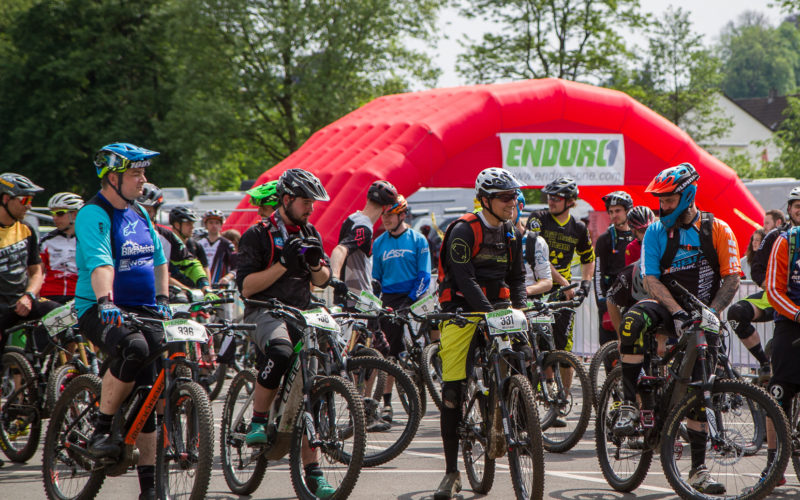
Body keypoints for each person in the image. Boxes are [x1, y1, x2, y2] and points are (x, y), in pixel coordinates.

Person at [619, 162, 741, 494]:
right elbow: (650, 277)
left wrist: (712, 313)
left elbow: (731, 279)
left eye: (669, 200)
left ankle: (698, 470)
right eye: (660, 200)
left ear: (688, 195)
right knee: (632, 322)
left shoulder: (718, 230)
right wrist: (674, 311)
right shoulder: (657, 232)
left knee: (700, 388)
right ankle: (629, 404)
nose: (662, 207)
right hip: (665, 306)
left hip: (705, 312)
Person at [75, 143, 171, 500]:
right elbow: (102, 262)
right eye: (136, 173)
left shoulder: (140, 213)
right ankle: (101, 429)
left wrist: (162, 300)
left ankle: (149, 489)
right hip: (100, 307)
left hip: (144, 308)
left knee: (149, 394)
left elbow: (159, 260)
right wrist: (105, 300)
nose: (143, 180)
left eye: (143, 173)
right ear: (113, 177)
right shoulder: (93, 213)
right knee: (134, 346)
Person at [235, 168, 336, 498]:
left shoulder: (311, 232)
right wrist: (282, 263)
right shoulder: (257, 234)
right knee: (279, 353)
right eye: (306, 202)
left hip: (302, 313)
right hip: (265, 310)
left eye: (313, 203)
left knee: (313, 388)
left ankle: (315, 472)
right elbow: (247, 289)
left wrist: (316, 265)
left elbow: (321, 282)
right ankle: (259, 420)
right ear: (288, 199)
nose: (311, 209)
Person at [434, 167, 526, 499]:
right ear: (485, 200)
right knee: (453, 388)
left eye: (514, 196)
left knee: (523, 353)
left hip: (495, 307)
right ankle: (450, 472)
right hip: (461, 308)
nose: (512, 202)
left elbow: (516, 279)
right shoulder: (463, 230)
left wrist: (521, 308)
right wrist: (487, 314)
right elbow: (463, 278)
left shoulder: (512, 233)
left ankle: (518, 413)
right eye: (505, 197)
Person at [0, 173, 61, 465]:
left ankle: (59, 375)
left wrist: (30, 296)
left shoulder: (26, 230)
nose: (29, 205)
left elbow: (36, 271)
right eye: (24, 199)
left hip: (22, 301)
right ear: (5, 199)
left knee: (65, 316)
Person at [526, 177, 594, 408]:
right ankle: (541, 389)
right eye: (550, 197)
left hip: (562, 291)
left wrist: (585, 283)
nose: (551, 201)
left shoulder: (579, 228)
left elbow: (588, 258)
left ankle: (562, 398)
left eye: (556, 198)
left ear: (571, 201)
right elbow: (538, 255)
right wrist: (563, 280)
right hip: (537, 285)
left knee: (564, 346)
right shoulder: (538, 218)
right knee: (539, 342)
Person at [372, 195, 431, 421]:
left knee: (434, 329)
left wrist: (411, 300)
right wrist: (375, 301)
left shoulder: (418, 240)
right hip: (390, 298)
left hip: (416, 294)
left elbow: (424, 275)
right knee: (390, 352)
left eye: (390, 215)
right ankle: (387, 404)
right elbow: (376, 278)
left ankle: (433, 365)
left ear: (402, 215)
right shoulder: (379, 243)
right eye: (383, 215)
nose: (385, 219)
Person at [762, 196, 800, 487]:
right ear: (788, 210)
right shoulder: (785, 242)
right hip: (791, 321)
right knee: (778, 392)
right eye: (797, 205)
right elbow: (774, 292)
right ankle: (774, 464)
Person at [136, 184, 212, 298]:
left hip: (157, 297)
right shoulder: (117, 231)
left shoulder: (166, 236)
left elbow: (190, 263)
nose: (143, 215)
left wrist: (205, 286)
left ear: (156, 211)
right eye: (138, 210)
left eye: (148, 211)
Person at [330, 180, 398, 304]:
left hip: (347, 298)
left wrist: (370, 280)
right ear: (387, 207)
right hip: (356, 303)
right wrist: (335, 278)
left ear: (367, 198)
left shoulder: (352, 219)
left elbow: (354, 258)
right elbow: (340, 249)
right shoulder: (364, 228)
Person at [594, 191, 634, 350]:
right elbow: (597, 274)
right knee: (609, 352)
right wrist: (603, 304)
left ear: (627, 211)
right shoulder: (605, 239)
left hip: (633, 301)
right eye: (611, 212)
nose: (613, 215)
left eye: (618, 211)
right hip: (611, 303)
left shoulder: (639, 235)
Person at [40, 192, 84, 303]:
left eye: (59, 213)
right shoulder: (46, 241)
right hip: (49, 296)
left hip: (79, 295)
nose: (54, 218)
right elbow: (37, 272)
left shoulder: (88, 240)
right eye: (52, 214)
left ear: (74, 214)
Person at [515, 192, 552, 298]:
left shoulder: (535, 241)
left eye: (512, 206)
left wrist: (524, 291)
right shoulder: (491, 238)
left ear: (520, 207)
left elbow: (547, 281)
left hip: (528, 301)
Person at [195, 209, 236, 286]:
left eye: (217, 223)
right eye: (211, 223)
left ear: (221, 225)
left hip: (220, 287)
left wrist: (227, 277)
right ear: (206, 225)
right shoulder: (199, 244)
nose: (214, 226)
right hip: (202, 285)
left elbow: (236, 266)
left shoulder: (227, 244)